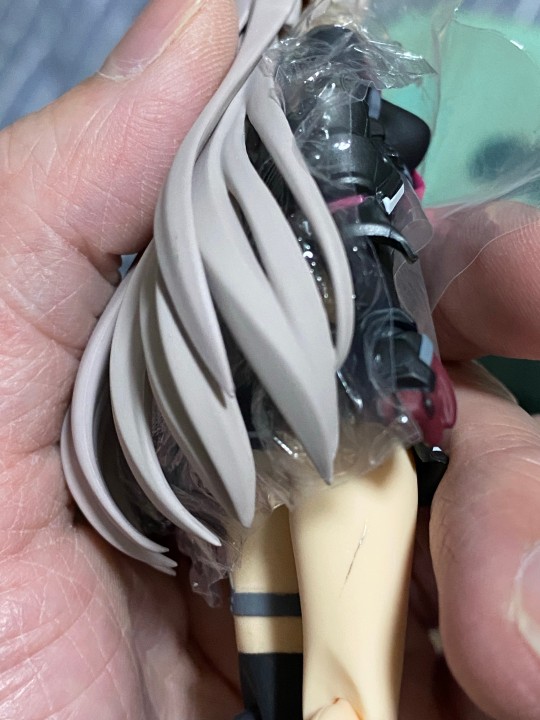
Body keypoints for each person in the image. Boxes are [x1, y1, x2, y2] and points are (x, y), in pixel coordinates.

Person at [0, 0, 539, 718]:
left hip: (294, 400)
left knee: (308, 556)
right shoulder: (250, 168)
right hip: (290, 399)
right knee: (308, 554)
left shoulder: (259, 174)